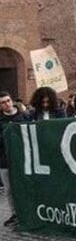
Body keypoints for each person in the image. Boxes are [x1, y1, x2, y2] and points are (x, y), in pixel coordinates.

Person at [0, 91, 28, 227]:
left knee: (25, 187)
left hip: (23, 159)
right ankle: (14, 213)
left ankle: (28, 212)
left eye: (8, 100)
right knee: (9, 189)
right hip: (5, 161)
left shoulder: (24, 116)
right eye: (3, 102)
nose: (6, 104)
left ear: (12, 101)